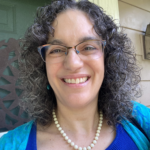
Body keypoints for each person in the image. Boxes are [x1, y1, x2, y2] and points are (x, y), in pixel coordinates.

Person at [0, 0, 150, 150]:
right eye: (56, 50)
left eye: (89, 47)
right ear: (42, 65)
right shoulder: (8, 145)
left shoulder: (141, 120)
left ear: (108, 59)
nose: (72, 63)